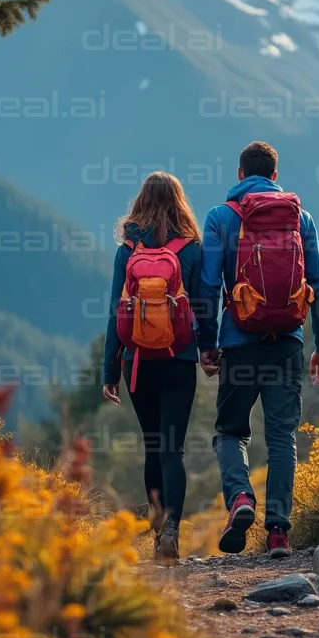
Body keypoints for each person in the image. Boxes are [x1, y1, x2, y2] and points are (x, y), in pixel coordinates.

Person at [200, 141, 319, 557]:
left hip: (240, 342)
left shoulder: (221, 217)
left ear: (240, 175)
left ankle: (240, 499)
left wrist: (207, 344)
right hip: (288, 344)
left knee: (230, 431)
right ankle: (278, 533)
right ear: (275, 177)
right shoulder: (301, 219)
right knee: (281, 438)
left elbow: (206, 287)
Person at [102, 172, 216, 562]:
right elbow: (202, 306)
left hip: (137, 363)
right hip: (179, 360)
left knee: (153, 445)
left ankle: (155, 530)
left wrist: (109, 371)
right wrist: (208, 350)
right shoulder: (192, 249)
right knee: (173, 449)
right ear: (180, 202)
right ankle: (171, 531)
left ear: (140, 202)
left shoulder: (127, 250)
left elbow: (116, 313)